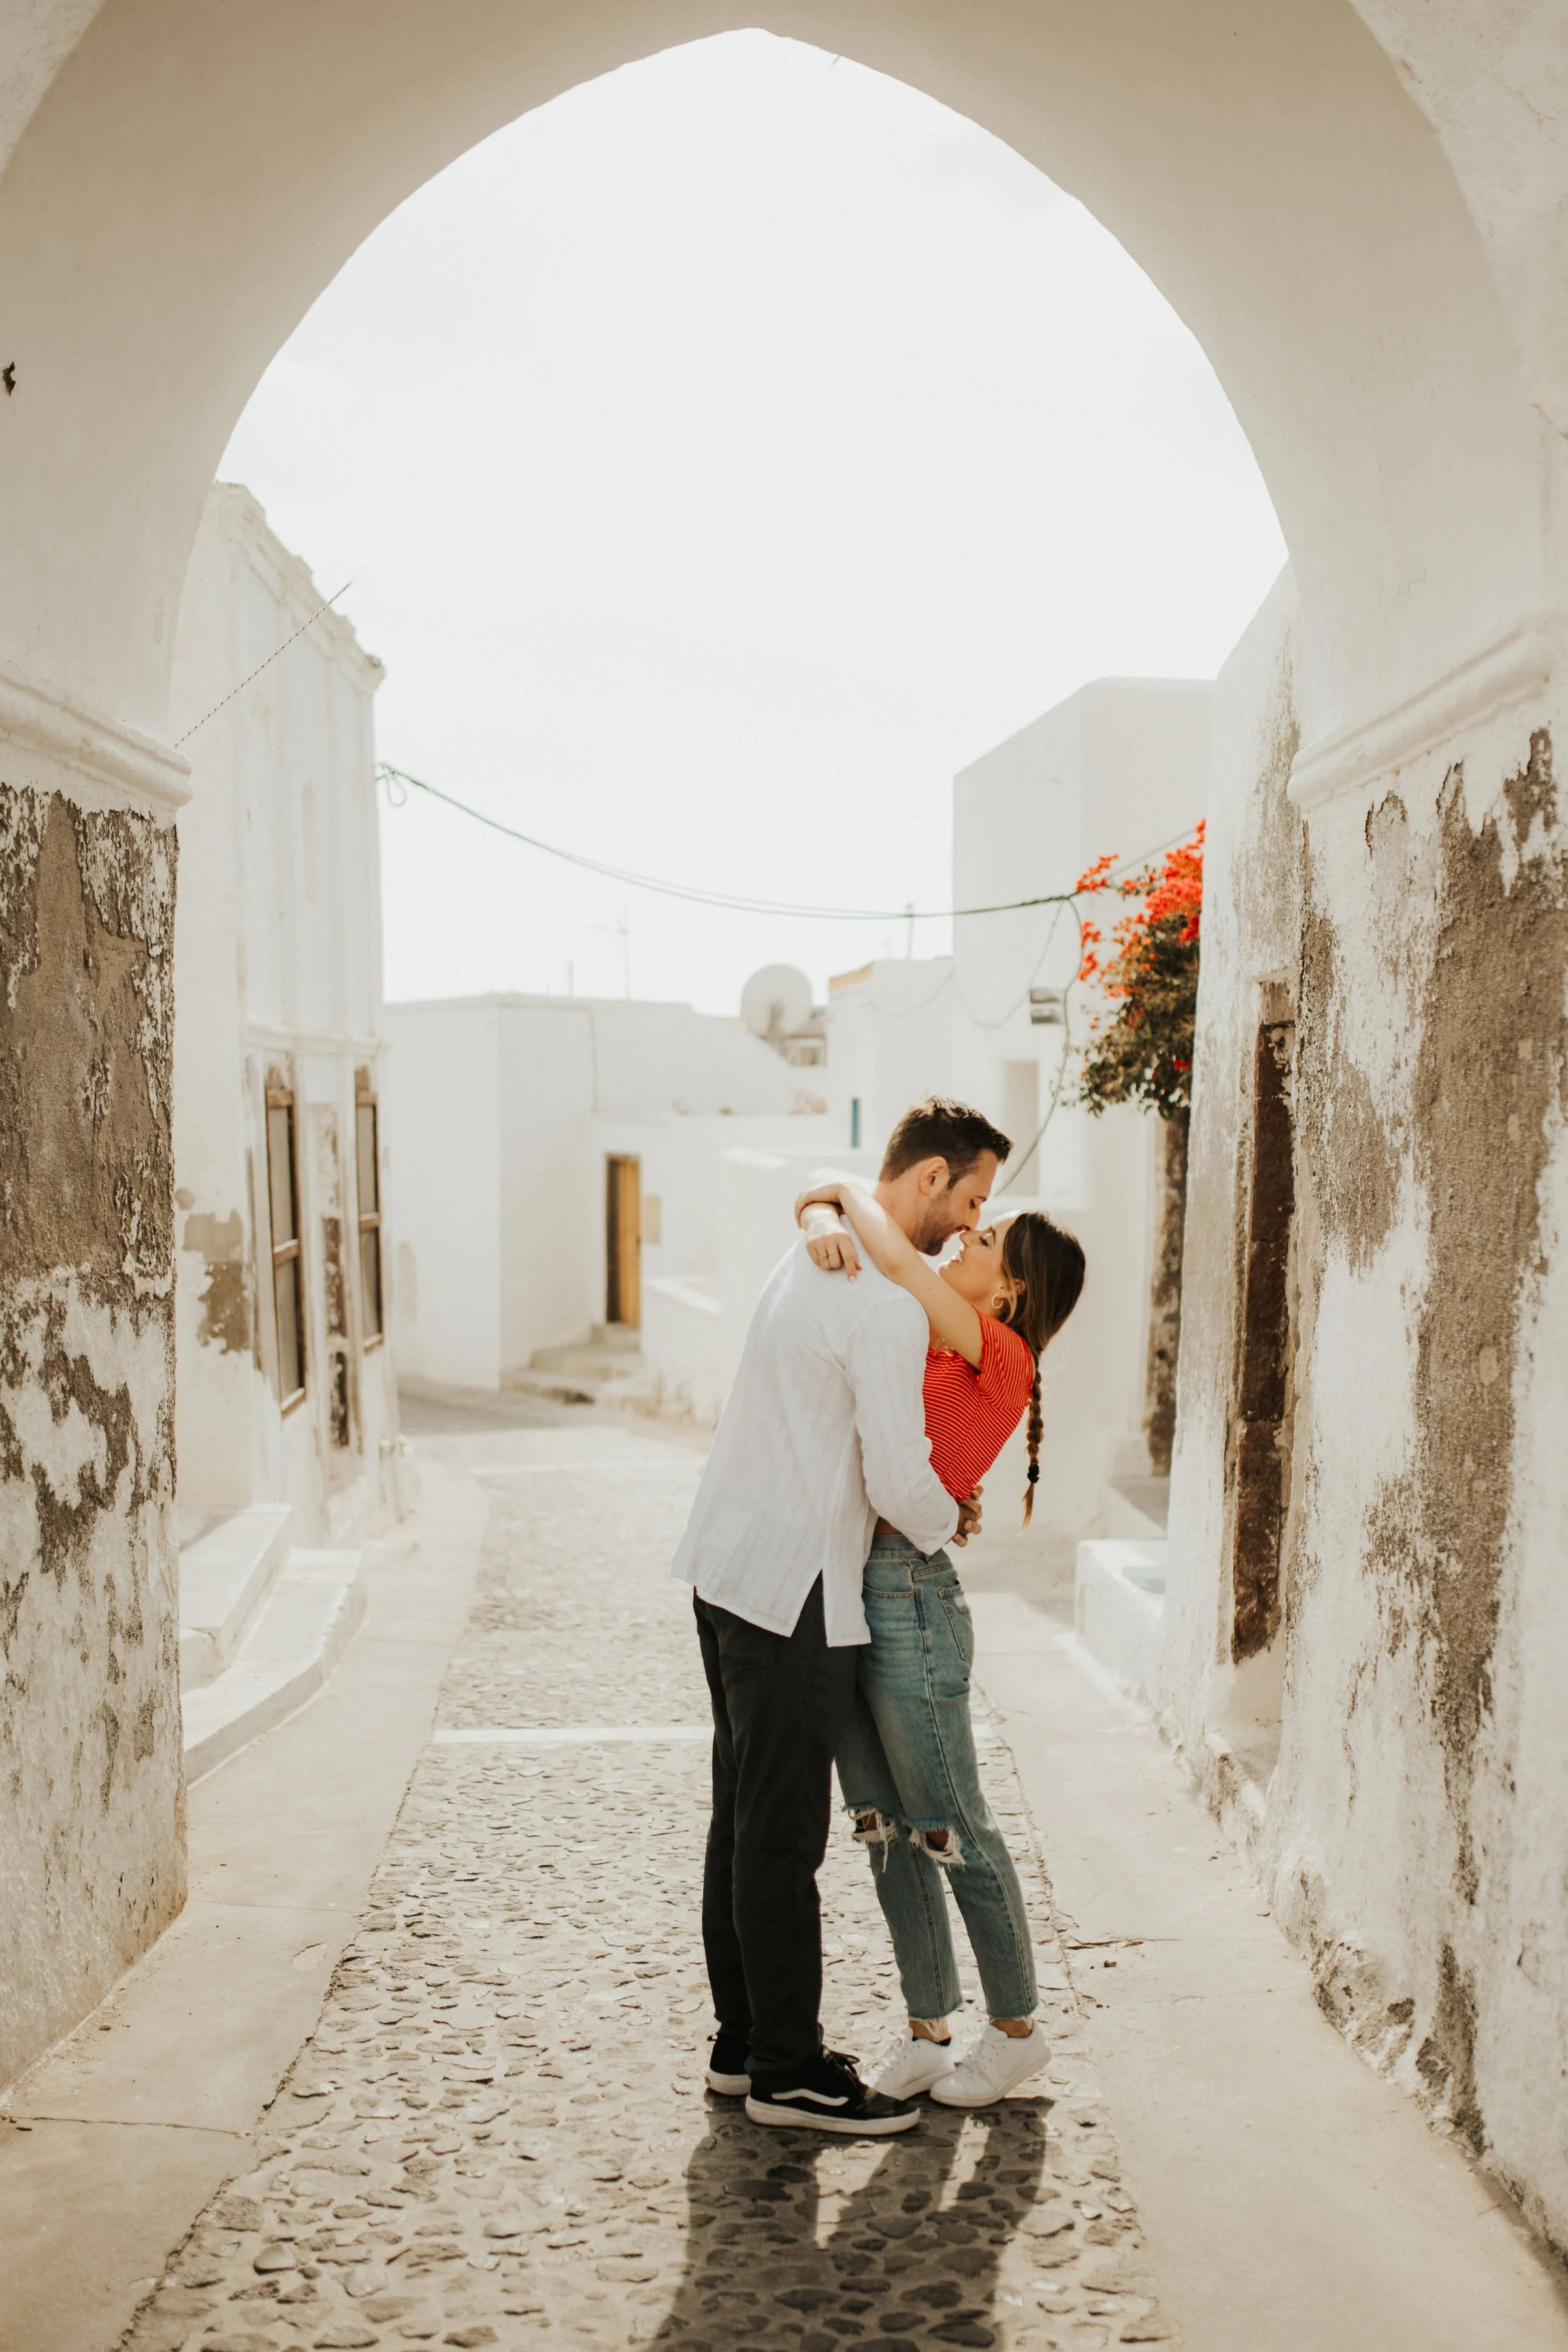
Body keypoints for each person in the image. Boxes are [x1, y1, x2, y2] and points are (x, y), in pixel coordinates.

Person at [672, 1099, 1011, 2134]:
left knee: (742, 1821)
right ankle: (788, 2072)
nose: (971, 1223)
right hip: (796, 1591)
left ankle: (743, 2045)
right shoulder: (884, 1305)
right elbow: (899, 1476)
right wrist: (951, 1517)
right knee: (782, 1840)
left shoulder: (812, 1258)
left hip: (727, 1567)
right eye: (973, 1199)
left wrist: (823, 1204)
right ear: (930, 1178)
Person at [793, 1172, 1085, 2108]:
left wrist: (839, 1191)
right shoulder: (947, 1338)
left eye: (986, 1238)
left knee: (951, 1822)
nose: (965, 1236)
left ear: (1013, 1289)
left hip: (910, 1596)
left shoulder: (1003, 1350)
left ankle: (1017, 2031)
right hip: (854, 1578)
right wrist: (817, 1210)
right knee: (882, 1826)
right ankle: (927, 2031)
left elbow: (895, 1258)